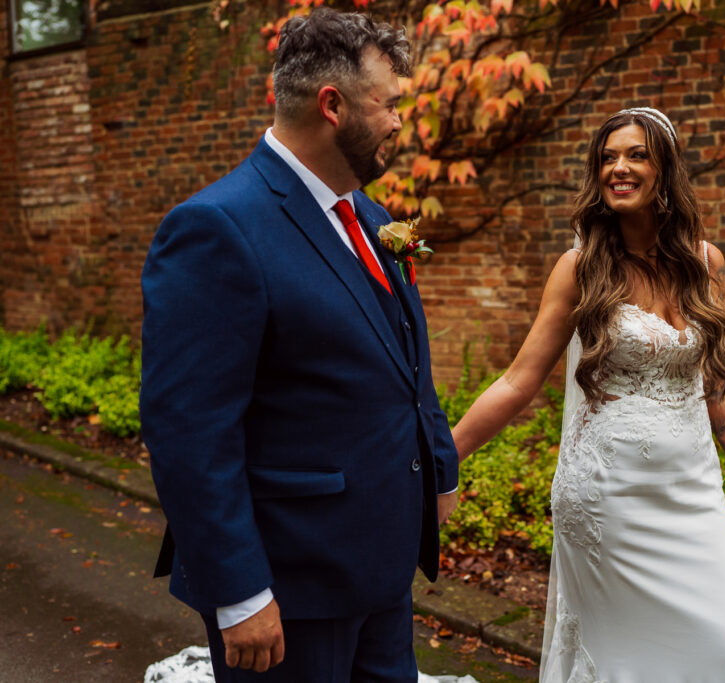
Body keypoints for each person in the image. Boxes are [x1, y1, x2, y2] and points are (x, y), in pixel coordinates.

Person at [139, 9, 459, 682]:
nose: (402, 121)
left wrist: (439, 465)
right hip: (290, 588)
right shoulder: (217, 228)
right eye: (390, 104)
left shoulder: (370, 216)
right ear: (333, 105)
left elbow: (407, 356)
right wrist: (241, 592)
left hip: (381, 569)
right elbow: (190, 428)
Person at [451, 108, 725, 680]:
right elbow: (519, 380)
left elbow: (718, 384)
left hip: (693, 494)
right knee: (624, 665)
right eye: (608, 157)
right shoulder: (580, 268)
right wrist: (443, 456)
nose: (620, 167)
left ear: (665, 168)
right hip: (606, 499)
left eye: (636, 154)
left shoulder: (705, 265)